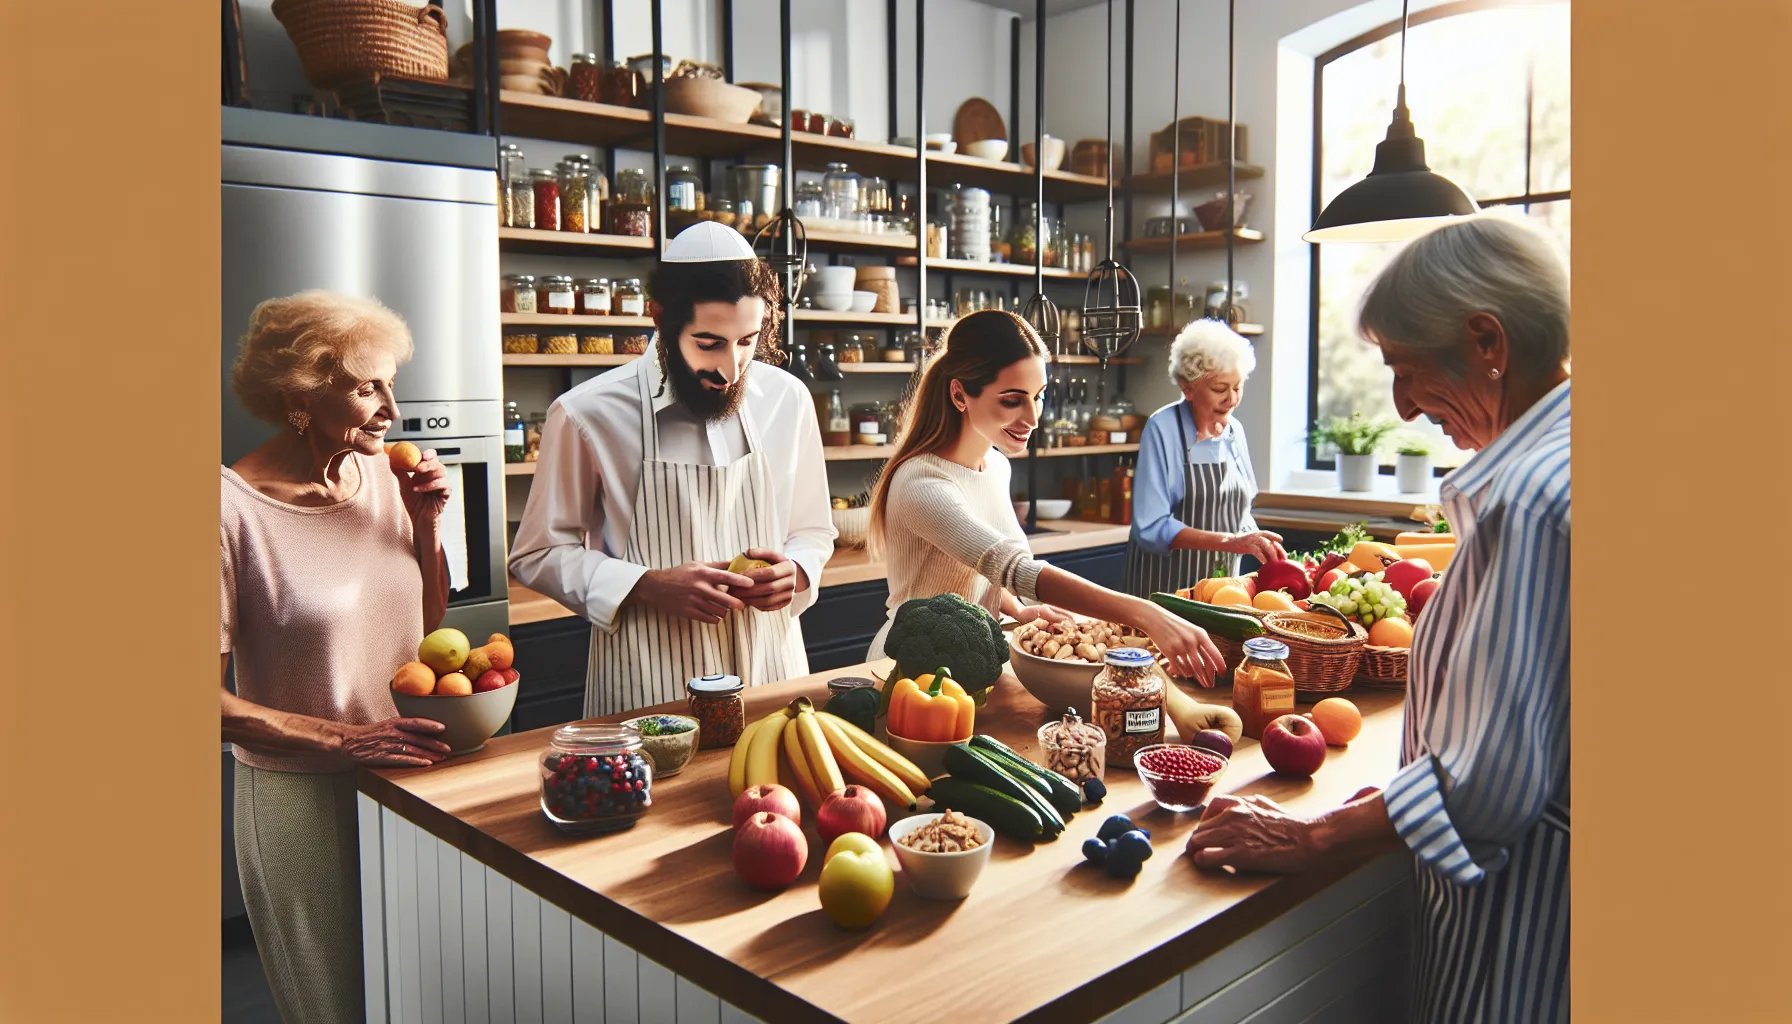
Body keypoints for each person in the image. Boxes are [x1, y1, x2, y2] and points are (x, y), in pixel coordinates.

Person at [1185, 216, 1572, 1023]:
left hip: (1530, 933)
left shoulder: (1534, 503)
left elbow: (1485, 785)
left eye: (1406, 367)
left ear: (1486, 342)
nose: (1400, 406)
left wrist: (1315, 837)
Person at [220, 290, 457, 1024]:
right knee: (334, 1007)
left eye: (392, 382)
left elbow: (428, 626)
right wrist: (343, 737)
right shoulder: (227, 509)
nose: (392, 406)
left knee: (418, 995)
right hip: (302, 796)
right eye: (366, 387)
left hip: (409, 775)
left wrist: (426, 528)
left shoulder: (387, 478)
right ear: (302, 396)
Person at [510, 222, 836, 716]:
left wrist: (800, 571)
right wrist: (646, 584)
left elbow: (812, 529)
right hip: (648, 679)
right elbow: (536, 554)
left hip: (772, 668)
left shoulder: (787, 399)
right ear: (659, 317)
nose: (732, 369)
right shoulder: (587, 413)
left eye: (747, 340)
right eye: (709, 343)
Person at [866, 310, 1227, 684]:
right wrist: (1145, 613)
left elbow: (977, 574)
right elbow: (1010, 567)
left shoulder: (995, 466)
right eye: (1012, 400)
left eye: (1038, 397)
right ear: (959, 394)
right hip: (905, 673)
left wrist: (1019, 612)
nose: (1033, 417)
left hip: (974, 665)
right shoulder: (922, 483)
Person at [1126, 319, 1285, 596]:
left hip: (1222, 593)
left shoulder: (1235, 431)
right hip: (1165, 592)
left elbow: (1240, 509)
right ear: (1187, 387)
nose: (1232, 399)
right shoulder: (1162, 428)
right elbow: (1152, 526)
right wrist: (1231, 541)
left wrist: (1258, 541)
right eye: (1220, 389)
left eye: (1238, 387)